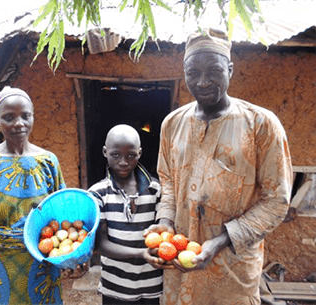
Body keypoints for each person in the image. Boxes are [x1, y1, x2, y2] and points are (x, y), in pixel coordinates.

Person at [143, 29, 293, 304]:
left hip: (232, 268)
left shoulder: (262, 125)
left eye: (214, 71)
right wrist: (164, 226)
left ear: (230, 70)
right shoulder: (172, 124)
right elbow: (168, 182)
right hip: (180, 264)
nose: (202, 82)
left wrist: (221, 240)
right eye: (193, 73)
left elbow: (277, 201)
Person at [0, 87, 66, 304]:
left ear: (33, 116)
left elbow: (61, 210)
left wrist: (68, 254)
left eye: (25, 116)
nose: (19, 123)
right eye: (9, 117)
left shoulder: (49, 161)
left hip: (41, 258)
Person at [89, 124, 163, 305]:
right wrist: (142, 253)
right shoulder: (98, 194)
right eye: (116, 155)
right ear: (105, 152)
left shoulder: (155, 190)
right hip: (115, 286)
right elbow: (101, 244)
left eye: (131, 155)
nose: (123, 161)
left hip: (150, 284)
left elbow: (163, 231)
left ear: (140, 153)